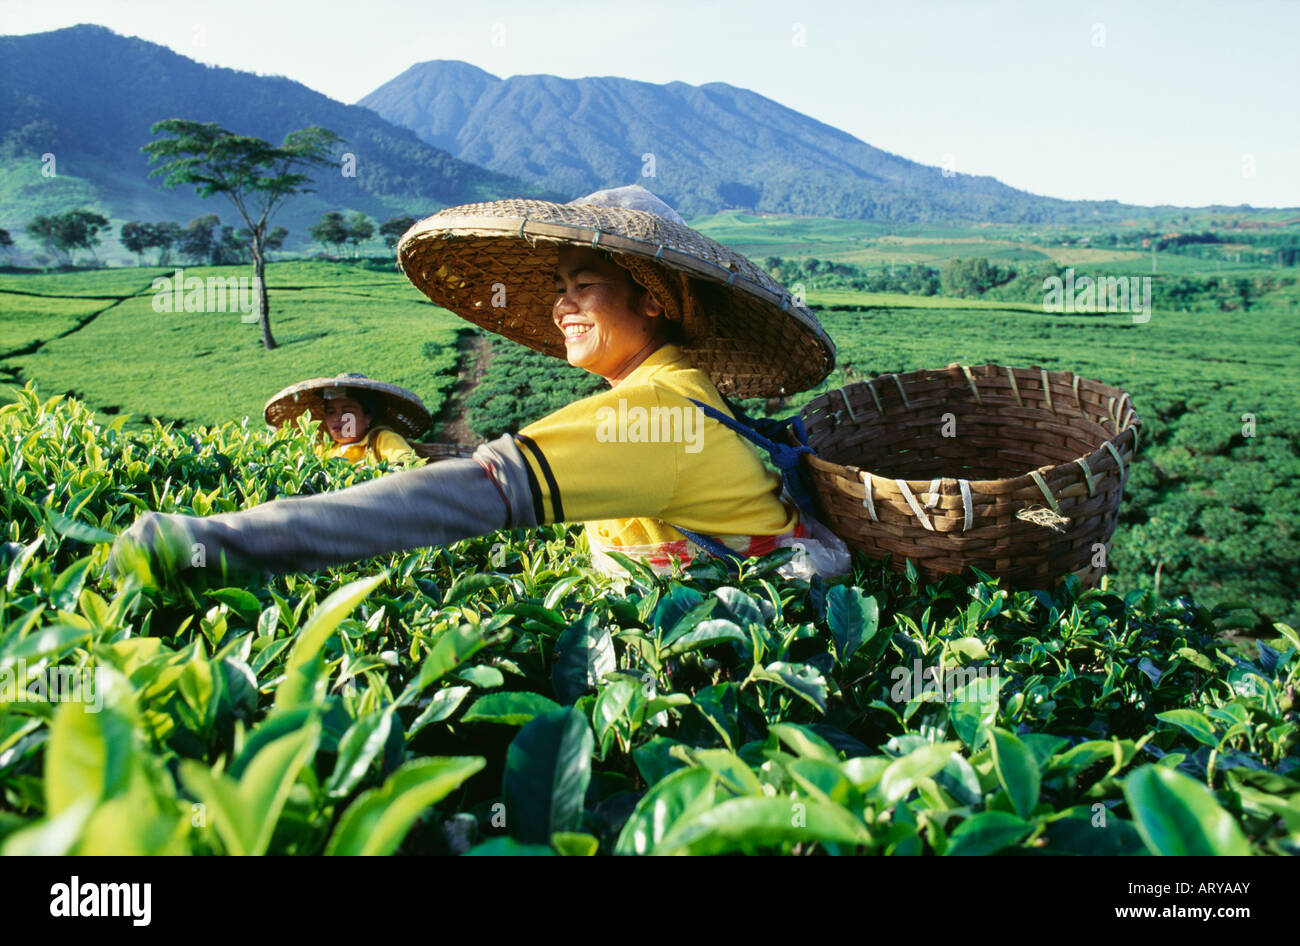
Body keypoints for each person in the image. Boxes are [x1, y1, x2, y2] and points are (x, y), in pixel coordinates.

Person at [112, 185, 850, 586]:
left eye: (583, 284)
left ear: (653, 298)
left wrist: (214, 541)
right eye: (558, 286)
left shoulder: (657, 415)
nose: (561, 306)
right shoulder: (681, 393)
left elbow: (472, 494)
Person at [262, 373, 427, 465]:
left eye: (348, 412)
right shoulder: (323, 450)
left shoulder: (381, 440)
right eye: (331, 412)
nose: (338, 419)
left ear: (367, 417)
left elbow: (409, 464)